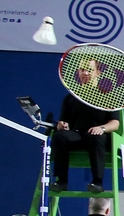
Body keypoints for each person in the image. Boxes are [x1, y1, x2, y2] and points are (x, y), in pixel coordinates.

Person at [50, 59, 120, 194]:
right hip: (77, 135)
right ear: (78, 72)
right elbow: (64, 121)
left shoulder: (108, 96)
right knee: (60, 136)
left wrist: (102, 128)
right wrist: (62, 125)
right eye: (82, 70)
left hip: (97, 137)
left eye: (90, 70)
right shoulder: (70, 98)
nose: (85, 73)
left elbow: (115, 123)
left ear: (98, 73)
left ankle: (97, 182)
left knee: (96, 138)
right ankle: (61, 181)